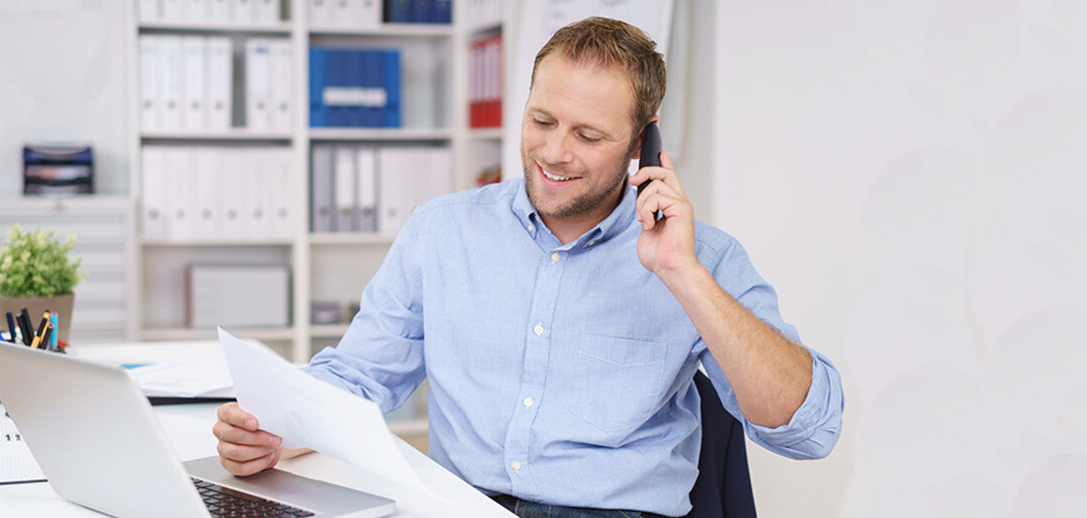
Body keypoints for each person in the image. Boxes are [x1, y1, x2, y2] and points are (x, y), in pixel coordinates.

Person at [212, 16, 843, 517]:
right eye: (541, 120)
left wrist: (684, 274)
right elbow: (359, 376)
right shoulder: (443, 231)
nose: (555, 152)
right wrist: (278, 428)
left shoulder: (704, 257)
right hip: (459, 507)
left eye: (589, 136)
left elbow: (810, 429)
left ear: (643, 140)